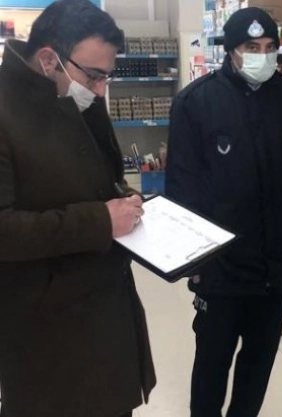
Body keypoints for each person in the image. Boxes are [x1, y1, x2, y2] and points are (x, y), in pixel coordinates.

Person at [165, 7, 282, 417]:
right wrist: (192, 260)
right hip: (221, 266)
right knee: (212, 362)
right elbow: (182, 188)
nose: (262, 56)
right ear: (231, 50)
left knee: (258, 364)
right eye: (251, 47)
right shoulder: (195, 102)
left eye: (269, 47)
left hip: (277, 262)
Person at [0, 1, 156, 416]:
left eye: (107, 76)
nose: (101, 89)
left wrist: (124, 197)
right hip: (44, 333)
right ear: (49, 59)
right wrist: (100, 220)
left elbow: (102, 175)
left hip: (106, 315)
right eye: (94, 75)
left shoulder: (79, 97)